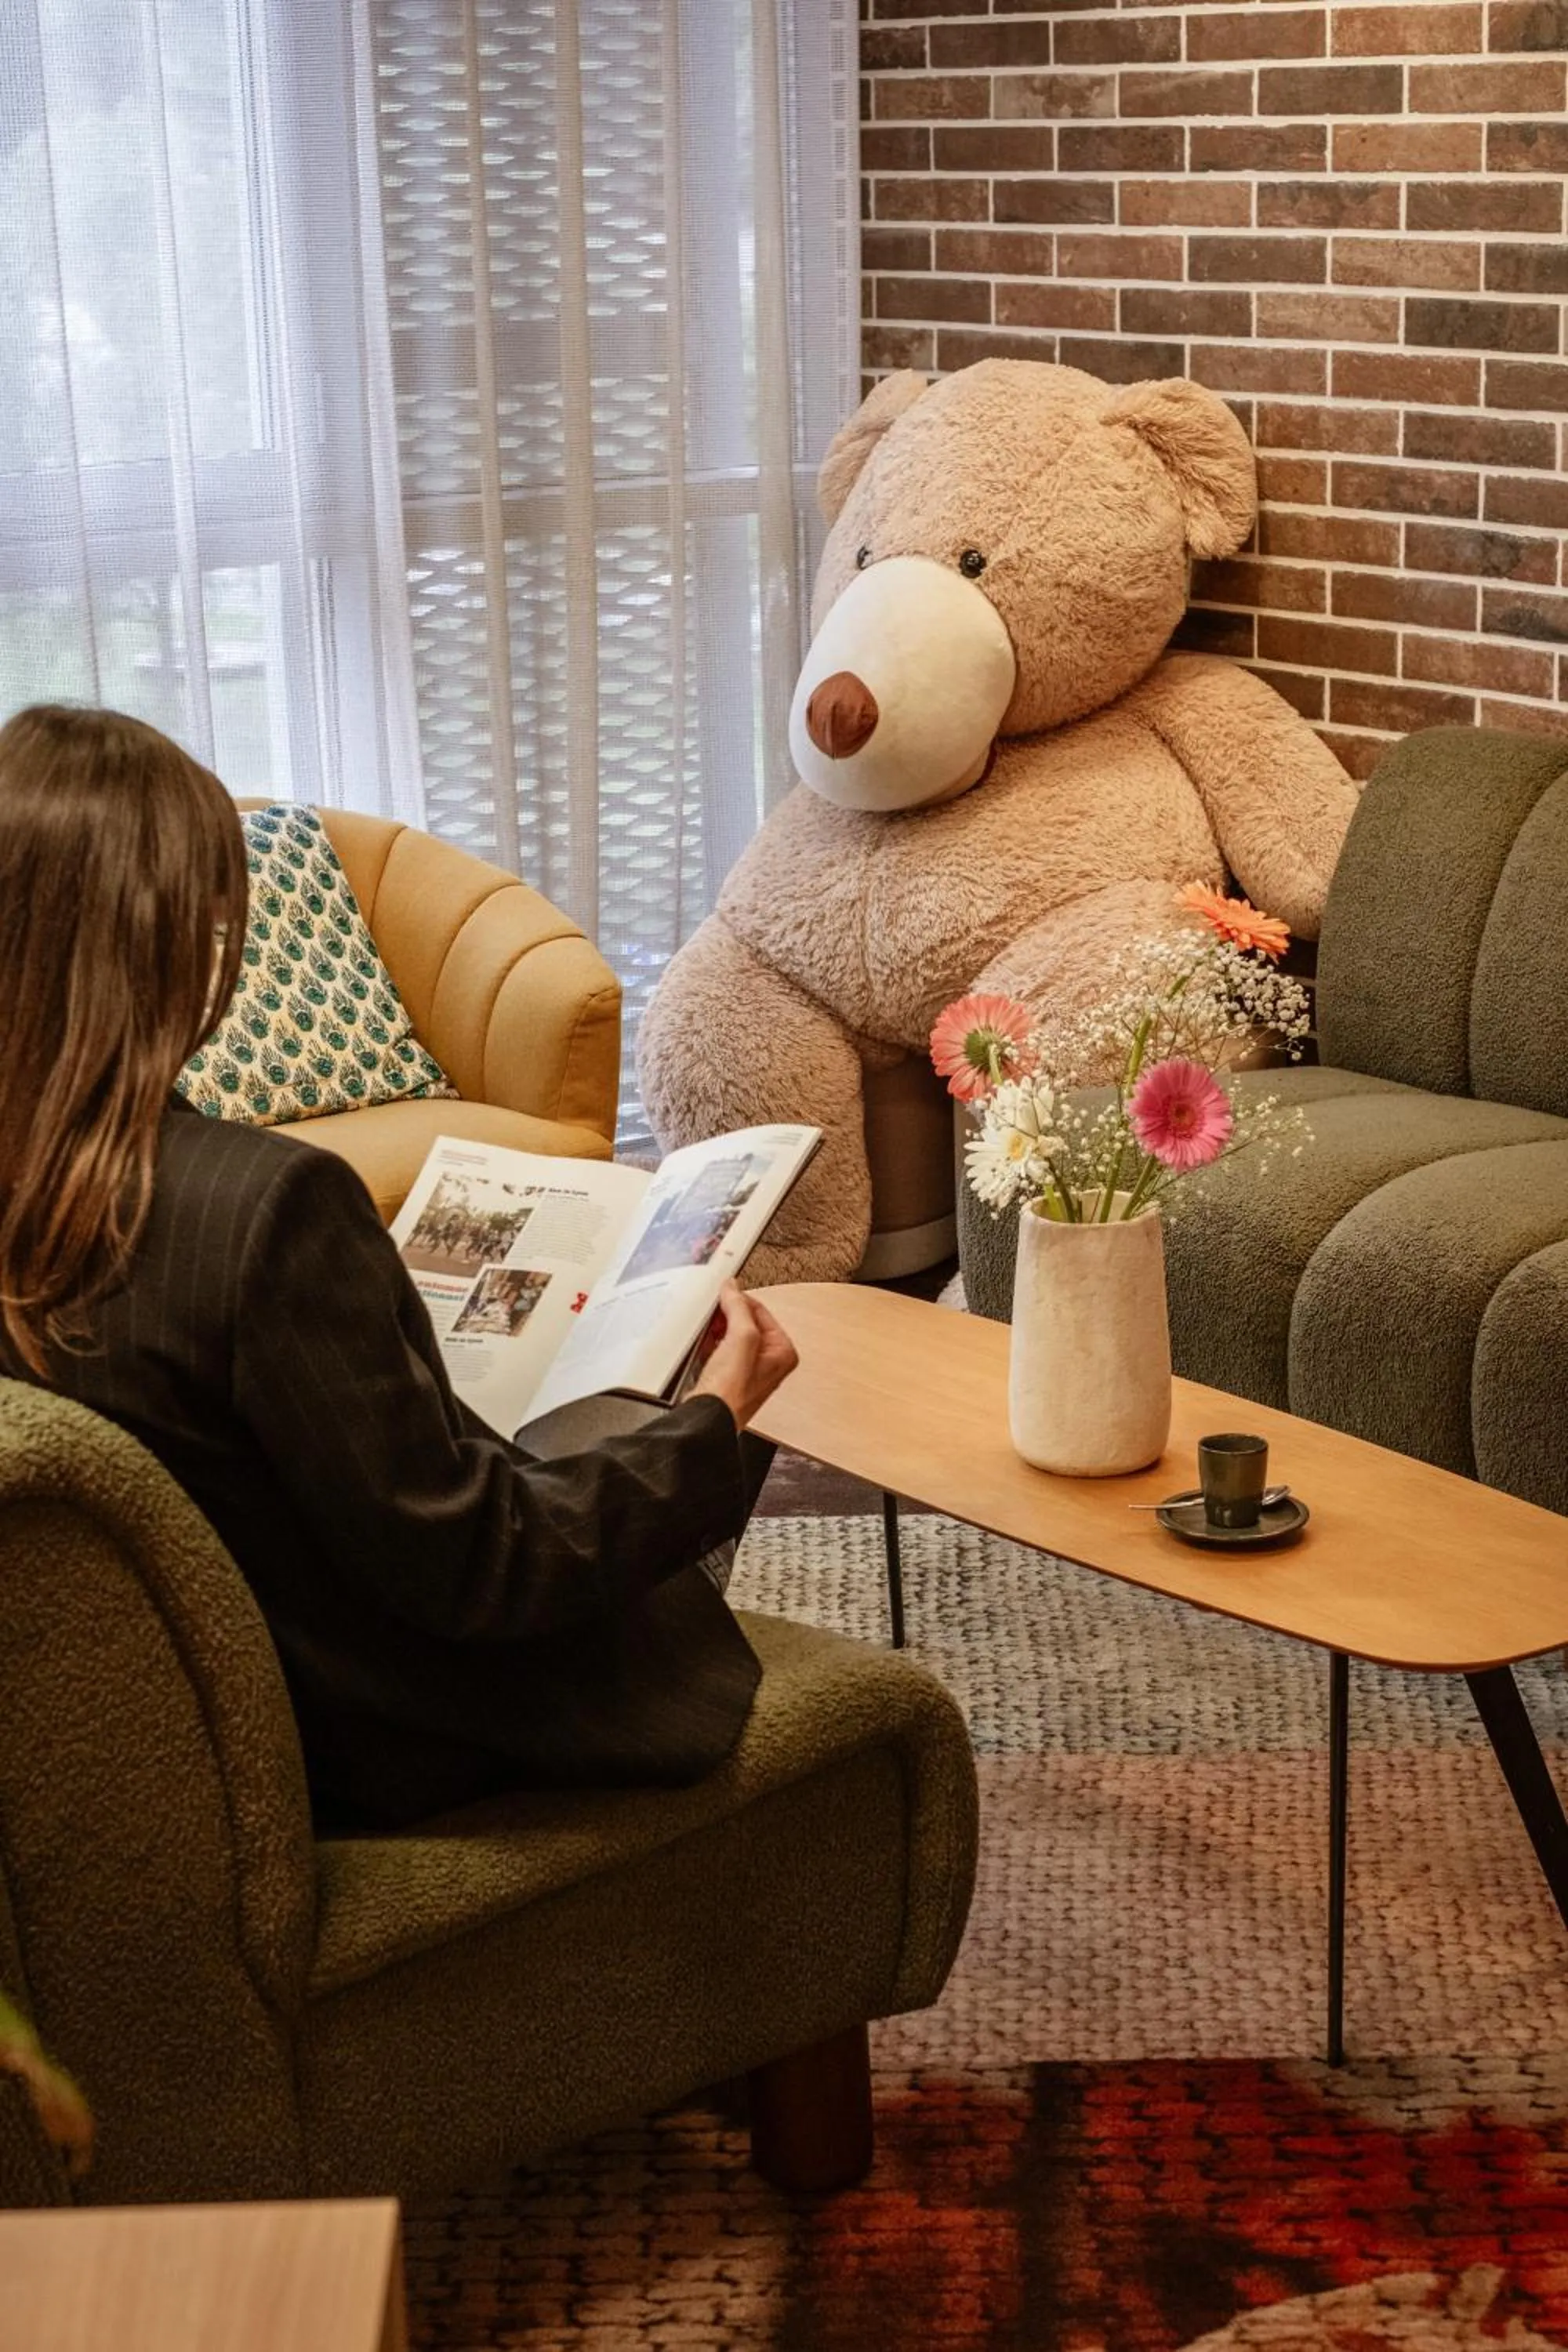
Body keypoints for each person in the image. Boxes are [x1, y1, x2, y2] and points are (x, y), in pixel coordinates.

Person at [0, 705, 798, 1830]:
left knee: (566, 1438)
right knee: (648, 1425)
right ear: (180, 947)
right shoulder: (269, 1206)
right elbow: (484, 1567)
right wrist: (717, 1424)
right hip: (355, 1743)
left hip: (137, 1750)